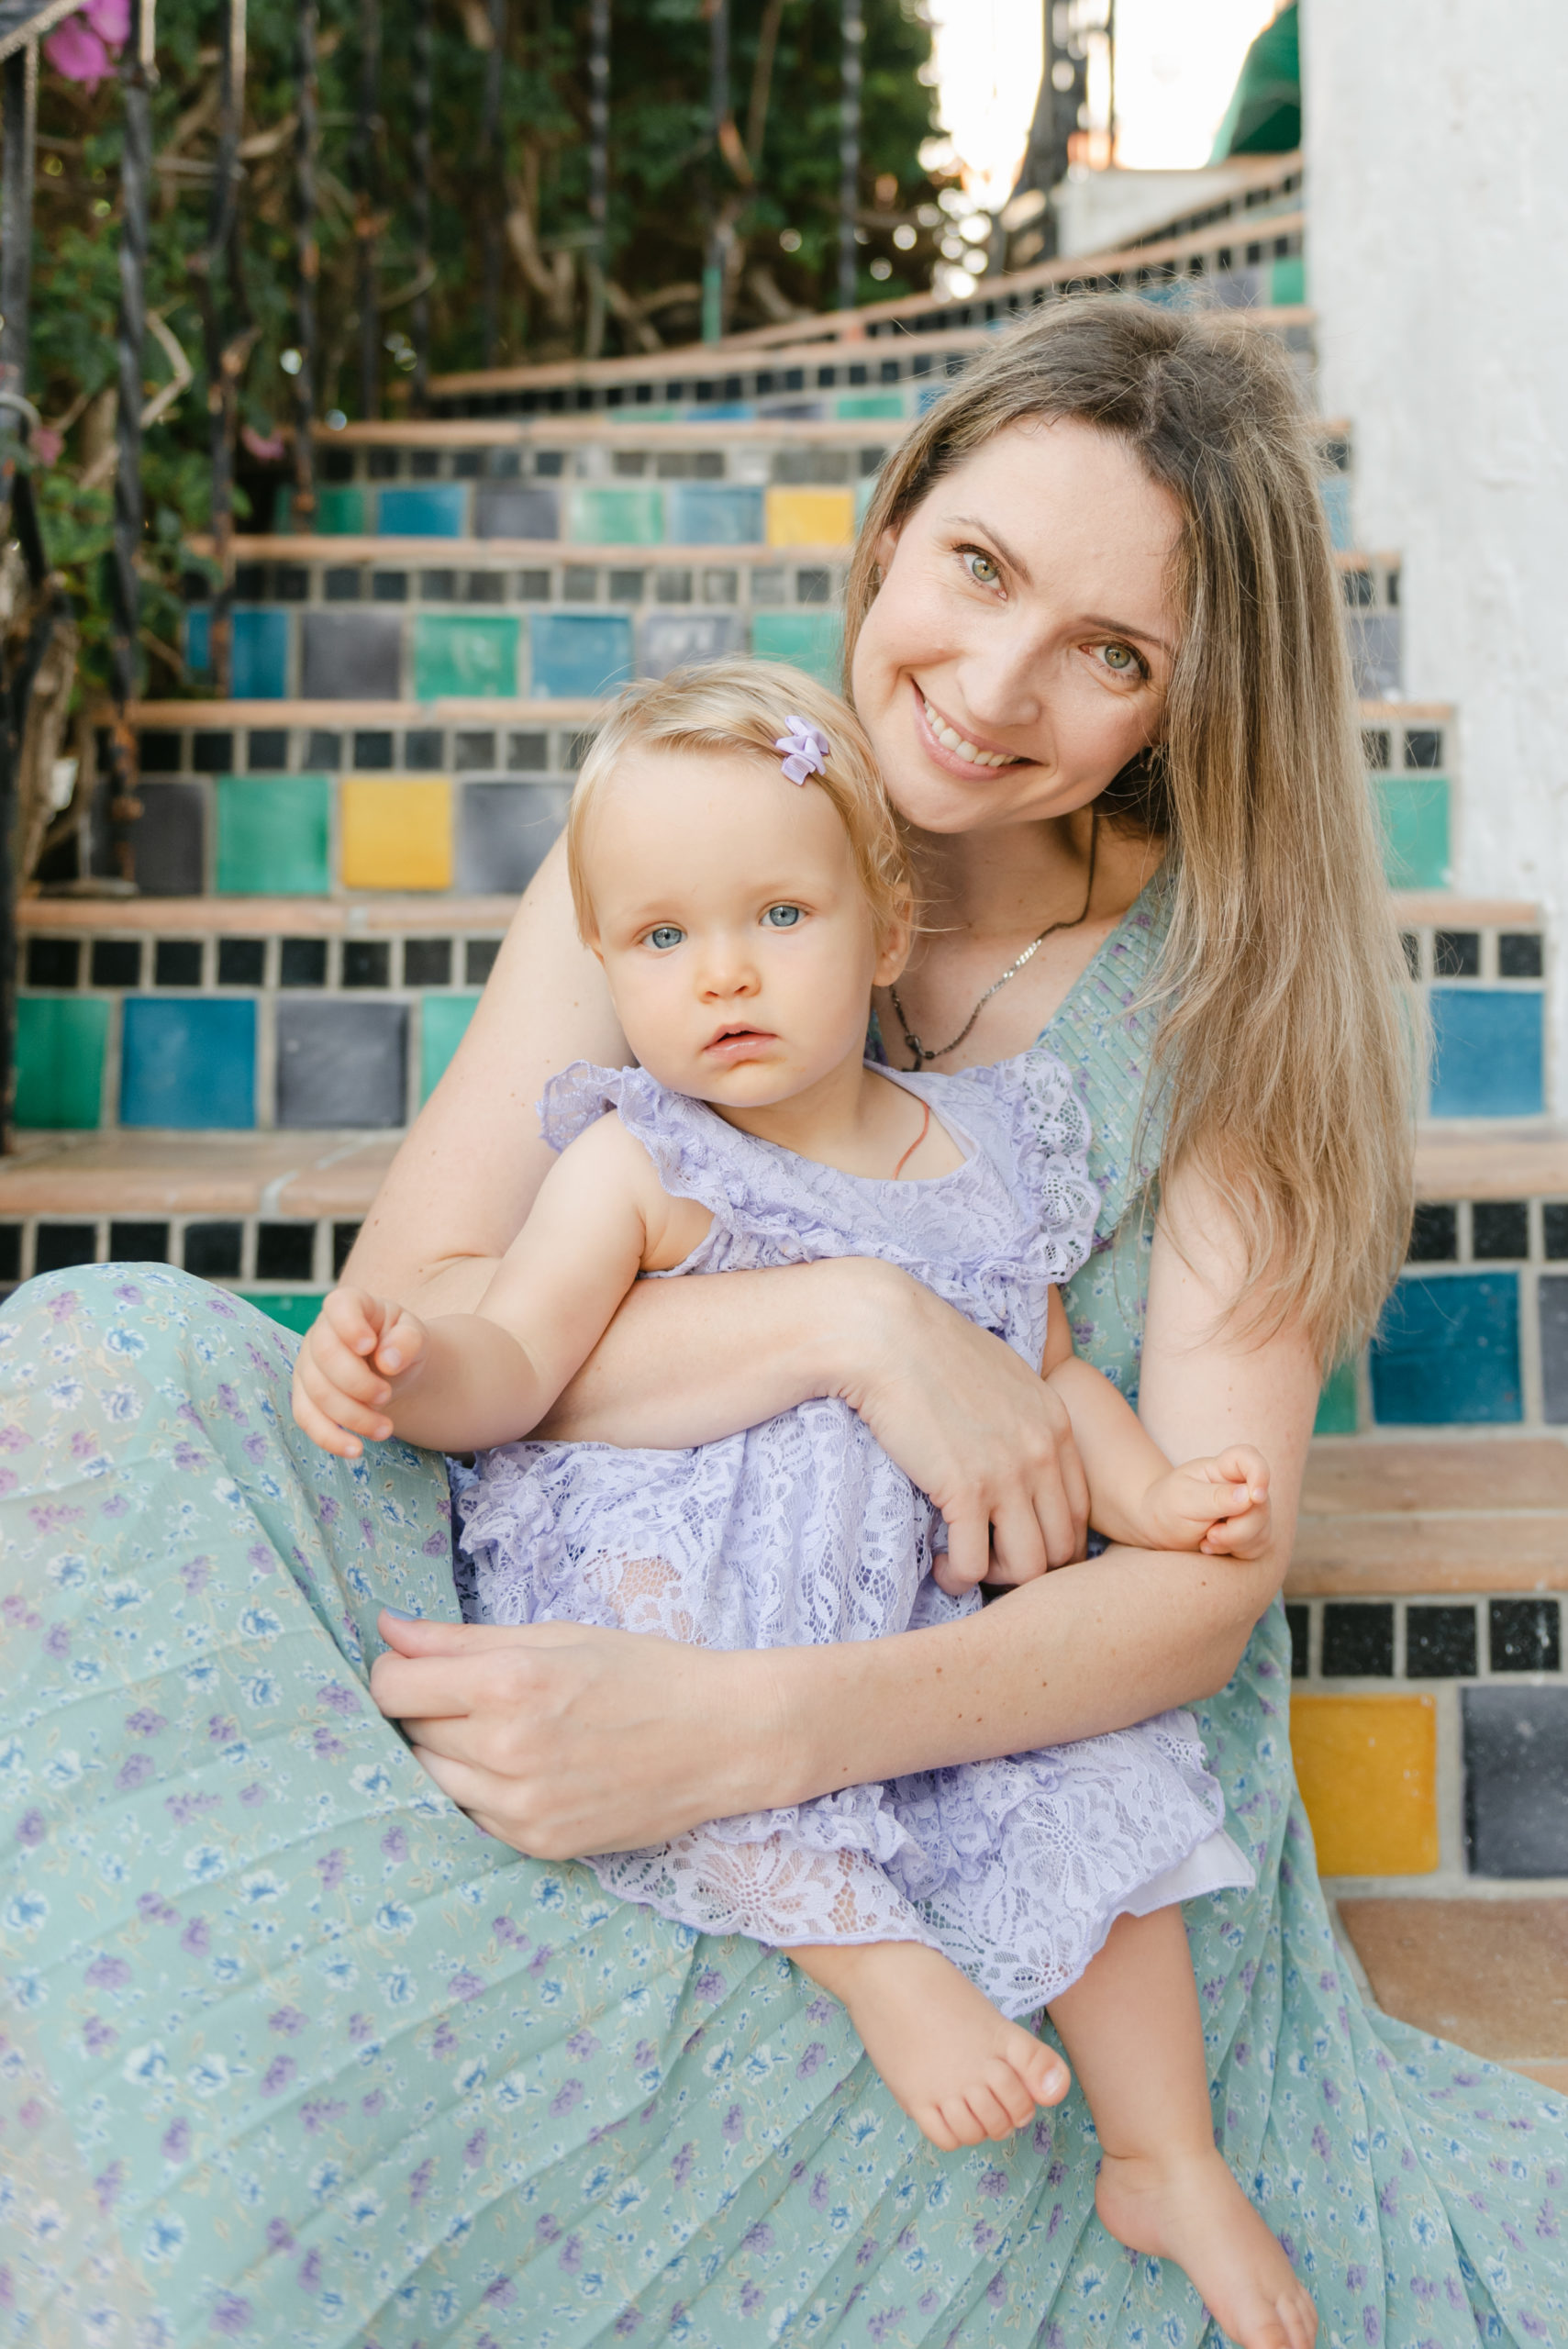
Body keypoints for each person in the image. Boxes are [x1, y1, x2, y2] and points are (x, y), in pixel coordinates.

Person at [2, 297, 1562, 2346]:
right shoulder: (694, 828)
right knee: (84, 1366)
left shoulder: (1221, 987)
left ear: (1188, 703)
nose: (995, 689)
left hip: (946, 1727)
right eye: (981, 569)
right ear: (895, 520)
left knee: (423, 2145)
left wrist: (730, 1738)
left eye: (1112, 653)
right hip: (586, 1548)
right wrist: (854, 1323)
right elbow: (418, 1321)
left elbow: (1193, 1595)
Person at [294, 660, 1309, 2346]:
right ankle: (881, 1975)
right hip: (697, 1600)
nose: (729, 976)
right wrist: (409, 1369)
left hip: (916, 1625)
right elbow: (520, 1362)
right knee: (724, 1737)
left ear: (884, 930)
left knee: (1100, 1800)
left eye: (777, 912)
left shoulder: (977, 1144)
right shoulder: (640, 1160)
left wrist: (1148, 1494)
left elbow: (1043, 1367)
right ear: (607, 968)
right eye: (666, 942)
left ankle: (1166, 2151)